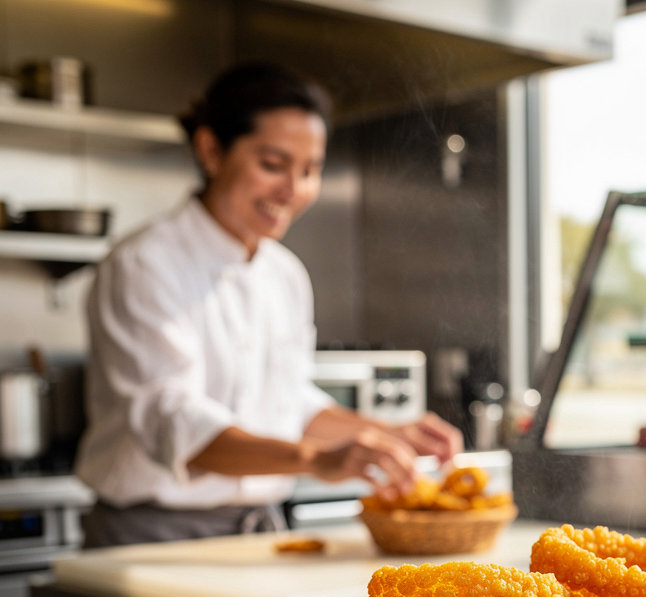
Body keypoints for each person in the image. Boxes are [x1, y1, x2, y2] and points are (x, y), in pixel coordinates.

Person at [76, 61, 462, 548]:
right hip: (151, 536)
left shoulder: (285, 275)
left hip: (259, 529)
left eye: (309, 170)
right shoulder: (144, 264)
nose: (293, 190)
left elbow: (289, 403)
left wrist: (386, 433)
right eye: (273, 165)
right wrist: (317, 461)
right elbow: (175, 423)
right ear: (211, 149)